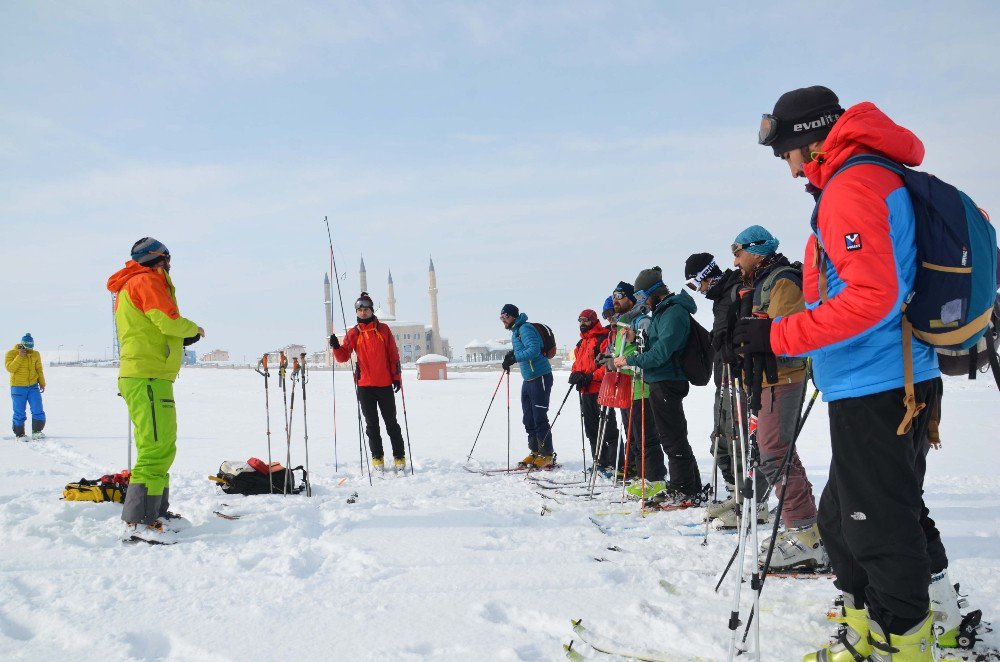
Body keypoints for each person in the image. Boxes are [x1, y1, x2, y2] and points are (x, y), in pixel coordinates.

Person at [739, 85, 948, 660]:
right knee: (845, 518)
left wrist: (776, 334)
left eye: (786, 155)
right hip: (885, 375)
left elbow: (871, 297)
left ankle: (901, 646)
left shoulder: (853, 186)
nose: (788, 170)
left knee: (876, 524)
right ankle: (916, 621)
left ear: (809, 142)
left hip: (879, 379)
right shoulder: (867, 176)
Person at [730, 226, 825, 571]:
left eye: (738, 253)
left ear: (756, 251)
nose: (736, 260)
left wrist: (759, 337)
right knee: (774, 451)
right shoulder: (760, 282)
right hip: (765, 380)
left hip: (782, 378)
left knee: (774, 452)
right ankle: (803, 527)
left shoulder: (782, 279)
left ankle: (805, 531)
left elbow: (792, 331)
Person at [107, 238, 203, 543]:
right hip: (146, 376)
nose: (170, 264)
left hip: (152, 376)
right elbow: (165, 320)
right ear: (158, 259)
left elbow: (150, 326)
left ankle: (156, 513)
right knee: (154, 447)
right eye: (168, 258)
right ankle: (138, 521)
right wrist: (192, 330)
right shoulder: (146, 281)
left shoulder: (136, 283)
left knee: (162, 445)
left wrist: (179, 340)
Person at [684, 253, 767, 525]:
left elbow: (745, 331)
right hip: (723, 376)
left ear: (707, 276)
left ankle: (753, 501)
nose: (700, 291)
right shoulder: (722, 298)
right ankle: (735, 495)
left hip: (739, 377)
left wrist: (732, 349)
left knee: (739, 440)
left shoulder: (736, 292)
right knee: (720, 440)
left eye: (698, 284)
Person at [614, 267, 702, 503]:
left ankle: (684, 490)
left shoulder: (673, 312)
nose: (640, 301)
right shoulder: (662, 312)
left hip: (668, 380)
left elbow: (661, 353)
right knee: (672, 436)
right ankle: (689, 486)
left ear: (654, 291)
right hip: (660, 380)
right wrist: (637, 340)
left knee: (673, 438)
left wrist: (629, 359)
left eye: (642, 296)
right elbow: (655, 344)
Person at [331, 292, 406, 473]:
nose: (363, 313)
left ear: (372, 310)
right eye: (360, 310)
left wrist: (396, 378)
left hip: (385, 384)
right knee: (372, 424)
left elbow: (393, 355)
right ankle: (377, 458)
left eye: (366, 309)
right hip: (365, 386)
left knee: (391, 423)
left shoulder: (383, 330)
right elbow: (342, 357)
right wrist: (335, 346)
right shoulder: (354, 332)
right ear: (357, 312)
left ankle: (399, 457)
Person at [607, 281, 660, 489]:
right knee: (633, 438)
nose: (615, 300)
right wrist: (610, 360)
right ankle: (641, 476)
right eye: (613, 297)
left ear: (631, 298)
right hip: (626, 388)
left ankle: (654, 478)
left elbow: (646, 351)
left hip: (642, 387)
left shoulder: (641, 321)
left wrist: (626, 362)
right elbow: (620, 353)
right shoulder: (623, 323)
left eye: (619, 296)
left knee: (646, 438)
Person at [500, 304, 555, 468]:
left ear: (514, 316)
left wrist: (515, 357)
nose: (503, 320)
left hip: (541, 377)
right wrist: (511, 355)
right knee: (528, 418)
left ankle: (547, 454)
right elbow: (523, 349)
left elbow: (534, 350)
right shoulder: (516, 332)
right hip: (529, 379)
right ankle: (535, 452)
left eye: (506, 317)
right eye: (501, 318)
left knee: (539, 417)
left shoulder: (525, 328)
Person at [569, 308, 619, 475]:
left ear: (594, 320)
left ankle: (615, 463)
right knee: (591, 428)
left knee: (608, 428)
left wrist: (590, 376)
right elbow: (578, 364)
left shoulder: (601, 338)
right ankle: (599, 461)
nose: (583, 323)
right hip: (586, 391)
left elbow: (608, 366)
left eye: (586, 320)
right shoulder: (581, 343)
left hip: (601, 390)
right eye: (580, 320)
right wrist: (575, 374)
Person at [5, 333, 46, 441]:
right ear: (21, 345)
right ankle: (20, 434)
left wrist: (42, 382)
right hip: (17, 387)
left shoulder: (35, 354)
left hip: (33, 386)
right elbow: (10, 368)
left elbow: (39, 369)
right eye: (26, 348)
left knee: (38, 408)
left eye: (30, 348)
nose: (28, 351)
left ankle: (37, 431)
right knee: (19, 411)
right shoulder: (11, 353)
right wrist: (20, 356)